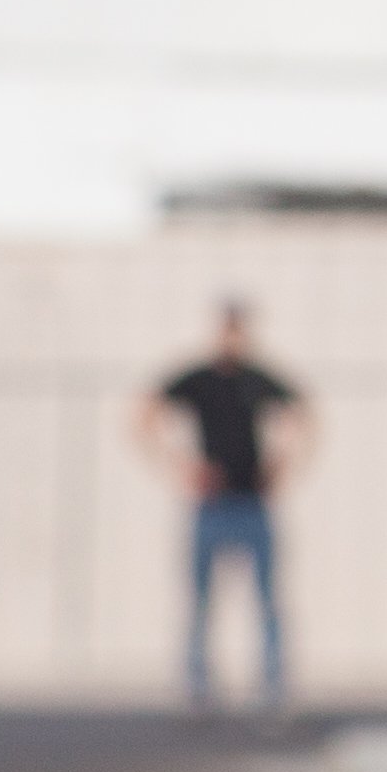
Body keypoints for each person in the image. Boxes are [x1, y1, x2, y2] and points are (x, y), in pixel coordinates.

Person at [140, 302, 312, 715]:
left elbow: (302, 415)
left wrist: (283, 463)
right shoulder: (198, 380)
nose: (232, 340)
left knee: (267, 598)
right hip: (211, 506)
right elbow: (145, 413)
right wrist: (178, 464)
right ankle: (198, 686)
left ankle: (273, 688)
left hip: (252, 502)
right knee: (200, 599)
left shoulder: (258, 380)